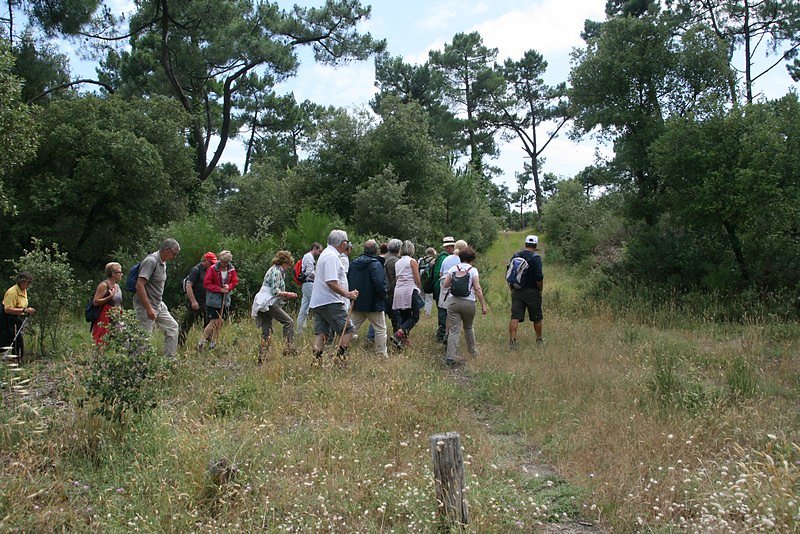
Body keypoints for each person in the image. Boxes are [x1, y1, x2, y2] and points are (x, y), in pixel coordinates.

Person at [309, 230, 359, 366]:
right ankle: (339, 362)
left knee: (322, 333)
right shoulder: (332, 257)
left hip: (319, 301)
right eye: (347, 242)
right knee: (348, 329)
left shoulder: (325, 254)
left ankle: (316, 363)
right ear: (343, 243)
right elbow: (331, 282)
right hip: (330, 301)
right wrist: (347, 294)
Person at [133, 238, 181, 358]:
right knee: (143, 338)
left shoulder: (163, 263)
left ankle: (169, 361)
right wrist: (148, 308)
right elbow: (139, 285)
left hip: (158, 304)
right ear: (166, 250)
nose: (175, 257)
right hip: (145, 306)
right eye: (174, 253)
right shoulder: (151, 261)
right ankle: (137, 365)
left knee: (173, 328)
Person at [442, 246, 488, 365]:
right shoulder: (473, 270)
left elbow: (445, 284)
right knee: (468, 327)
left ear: (460, 258)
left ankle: (450, 357)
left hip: (453, 302)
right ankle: (472, 352)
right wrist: (483, 305)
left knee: (454, 329)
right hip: (468, 302)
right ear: (472, 259)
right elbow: (477, 288)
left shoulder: (453, 269)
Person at [251, 250, 299, 363]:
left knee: (267, 331)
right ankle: (288, 349)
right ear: (285, 262)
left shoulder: (275, 270)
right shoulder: (276, 271)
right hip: (267, 301)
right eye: (288, 264)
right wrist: (288, 294)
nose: (289, 267)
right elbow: (275, 291)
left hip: (263, 302)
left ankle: (262, 358)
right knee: (288, 322)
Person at [347, 239, 388, 357]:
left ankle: (341, 348)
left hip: (357, 301)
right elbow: (379, 283)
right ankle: (381, 354)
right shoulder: (376, 264)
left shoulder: (353, 263)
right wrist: (384, 296)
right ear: (376, 250)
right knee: (380, 329)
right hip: (374, 303)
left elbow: (348, 280)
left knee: (351, 328)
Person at [199, 250, 239, 351]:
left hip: (225, 300)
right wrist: (219, 289)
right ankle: (202, 341)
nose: (224, 264)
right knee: (214, 321)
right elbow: (207, 284)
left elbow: (235, 281)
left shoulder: (231, 269)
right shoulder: (212, 269)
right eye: (222, 262)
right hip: (213, 300)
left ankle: (214, 342)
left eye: (226, 262)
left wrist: (229, 286)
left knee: (221, 321)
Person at [509, 235, 544, 348]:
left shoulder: (516, 255)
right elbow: (539, 277)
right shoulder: (536, 258)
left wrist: (512, 288)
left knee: (515, 317)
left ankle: (513, 341)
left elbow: (510, 273)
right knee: (537, 317)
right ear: (535, 245)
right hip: (532, 291)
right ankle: (539, 340)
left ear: (525, 244)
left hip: (517, 290)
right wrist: (540, 290)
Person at [178, 251, 217, 347]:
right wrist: (193, 301)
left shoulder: (212, 270)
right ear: (205, 261)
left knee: (208, 324)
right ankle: (180, 344)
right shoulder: (196, 270)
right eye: (211, 262)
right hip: (195, 302)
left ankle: (205, 345)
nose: (213, 265)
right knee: (187, 323)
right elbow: (188, 285)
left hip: (207, 302)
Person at [390, 240, 422, 348]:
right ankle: (399, 333)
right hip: (409, 290)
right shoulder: (412, 261)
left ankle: (402, 342)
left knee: (404, 316)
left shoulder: (397, 262)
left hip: (399, 290)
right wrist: (419, 288)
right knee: (415, 316)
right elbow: (417, 279)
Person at [437, 239, 468, 344]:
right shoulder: (461, 260)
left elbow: (440, 274)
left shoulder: (446, 258)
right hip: (454, 286)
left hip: (443, 284)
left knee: (445, 310)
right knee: (454, 312)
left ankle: (443, 333)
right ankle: (450, 335)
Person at [1, 272, 35, 360]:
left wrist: (27, 310)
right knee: (8, 339)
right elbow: (7, 309)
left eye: (30, 282)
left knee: (17, 339)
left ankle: (17, 359)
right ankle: (15, 359)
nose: (29, 284)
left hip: (16, 316)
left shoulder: (23, 290)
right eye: (28, 282)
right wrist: (24, 310)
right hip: (6, 317)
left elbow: (21, 304)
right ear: (21, 282)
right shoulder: (12, 292)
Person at [91, 262, 124, 346]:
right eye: (119, 272)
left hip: (116, 315)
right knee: (102, 339)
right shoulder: (103, 285)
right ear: (113, 274)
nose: (122, 274)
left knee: (122, 337)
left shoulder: (117, 286)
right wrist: (109, 297)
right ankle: (99, 354)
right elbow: (95, 302)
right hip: (104, 315)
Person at [295, 242, 322, 335]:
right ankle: (320, 329)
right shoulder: (309, 257)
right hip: (309, 284)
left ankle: (300, 331)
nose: (319, 253)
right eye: (319, 251)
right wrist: (320, 280)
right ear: (314, 248)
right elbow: (310, 272)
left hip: (307, 284)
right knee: (319, 306)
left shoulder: (308, 257)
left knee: (304, 308)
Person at [432, 236, 455, 342]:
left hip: (440, 286)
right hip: (441, 287)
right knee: (443, 311)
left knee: (443, 310)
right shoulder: (444, 258)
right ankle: (441, 334)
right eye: (452, 247)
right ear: (449, 247)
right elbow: (439, 274)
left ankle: (443, 333)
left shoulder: (442, 257)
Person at [384, 239, 402, 334]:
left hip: (383, 291)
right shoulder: (395, 261)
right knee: (397, 317)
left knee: (380, 317)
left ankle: (370, 337)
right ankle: (397, 336)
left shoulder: (383, 258)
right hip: (392, 292)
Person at [418, 247, 437, 317]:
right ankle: (427, 314)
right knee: (429, 299)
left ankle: (418, 311)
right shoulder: (434, 261)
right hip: (430, 281)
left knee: (421, 296)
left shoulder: (421, 260)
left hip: (421, 280)